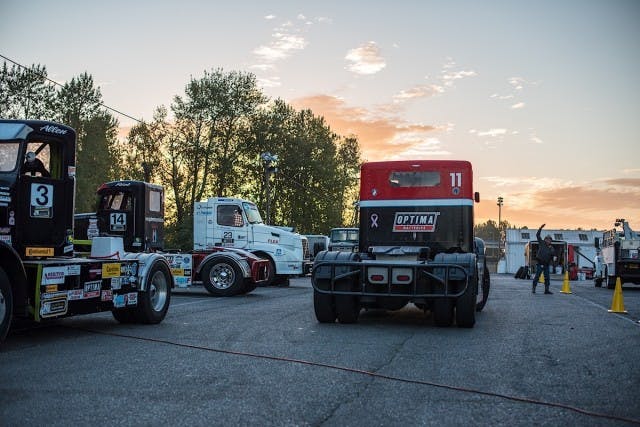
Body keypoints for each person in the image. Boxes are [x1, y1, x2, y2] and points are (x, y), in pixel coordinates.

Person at [532, 223, 556, 294]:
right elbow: (537, 235)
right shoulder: (541, 243)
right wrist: (540, 228)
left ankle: (546, 290)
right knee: (537, 276)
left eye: (550, 240)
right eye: (547, 239)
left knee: (547, 278)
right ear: (545, 239)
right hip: (540, 263)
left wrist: (554, 258)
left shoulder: (551, 248)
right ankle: (533, 288)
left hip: (546, 265)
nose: (548, 241)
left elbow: (553, 255)